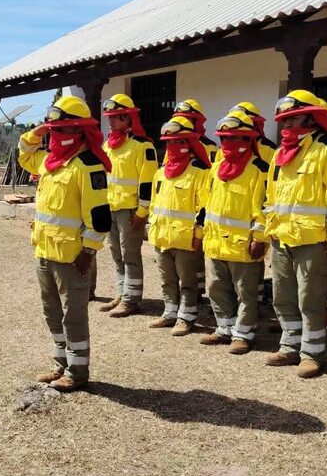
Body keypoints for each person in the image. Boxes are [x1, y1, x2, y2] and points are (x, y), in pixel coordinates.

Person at [17, 96, 112, 392]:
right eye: (53, 129)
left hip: (72, 256)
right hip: (44, 251)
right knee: (52, 313)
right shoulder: (49, 161)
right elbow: (24, 154)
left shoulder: (88, 166)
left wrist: (88, 251)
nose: (56, 134)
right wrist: (37, 132)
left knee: (74, 316)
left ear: (80, 130)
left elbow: (99, 218)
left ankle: (77, 372)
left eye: (62, 129)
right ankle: (60, 363)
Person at [263, 90, 327, 378]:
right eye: (283, 121)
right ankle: (290, 345)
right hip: (282, 237)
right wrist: (271, 229)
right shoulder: (280, 153)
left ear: (312, 118)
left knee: (310, 299)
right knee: (283, 296)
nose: (286, 125)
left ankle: (312, 353)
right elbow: (271, 196)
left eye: (294, 119)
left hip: (314, 240)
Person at [199, 110, 269, 354]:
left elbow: (265, 207)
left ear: (247, 139)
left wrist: (259, 237)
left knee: (245, 293)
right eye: (224, 138)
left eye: (233, 138)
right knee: (216, 288)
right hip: (215, 242)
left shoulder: (259, 169)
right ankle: (224, 328)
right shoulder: (217, 167)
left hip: (243, 245)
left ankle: (243, 334)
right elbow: (207, 202)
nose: (227, 143)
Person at [147, 116, 212, 335]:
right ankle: (170, 312)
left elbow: (204, 208)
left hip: (186, 238)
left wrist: (198, 234)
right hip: (161, 236)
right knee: (167, 279)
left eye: (179, 141)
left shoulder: (200, 172)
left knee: (187, 281)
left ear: (189, 143)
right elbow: (154, 203)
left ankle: (187, 317)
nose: (173, 146)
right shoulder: (160, 173)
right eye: (169, 142)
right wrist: (151, 227)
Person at [99, 94, 158, 318]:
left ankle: (131, 300)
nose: (111, 120)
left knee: (130, 254)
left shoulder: (143, 146)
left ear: (129, 117)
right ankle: (121, 293)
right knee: (116, 253)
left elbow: (148, 183)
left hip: (130, 210)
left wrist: (142, 212)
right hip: (111, 208)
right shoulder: (108, 145)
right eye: (109, 116)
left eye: (116, 116)